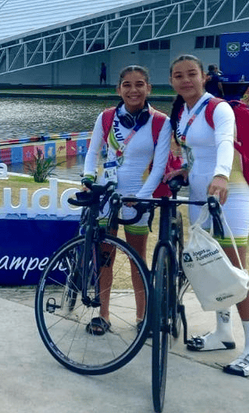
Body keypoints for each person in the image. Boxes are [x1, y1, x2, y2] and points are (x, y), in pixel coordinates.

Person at [166, 54, 249, 377]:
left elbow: (224, 143)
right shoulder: (184, 112)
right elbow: (198, 155)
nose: (185, 80)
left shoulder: (218, 108)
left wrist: (221, 175)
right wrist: (184, 170)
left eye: (191, 74)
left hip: (229, 196)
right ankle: (223, 333)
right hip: (200, 199)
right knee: (212, 268)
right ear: (172, 82)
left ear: (203, 77)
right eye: (179, 76)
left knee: (236, 273)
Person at [81, 65, 171, 335]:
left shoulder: (160, 122)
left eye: (139, 84)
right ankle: (103, 315)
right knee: (104, 257)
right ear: (118, 89)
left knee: (137, 258)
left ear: (149, 88)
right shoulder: (106, 117)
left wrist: (142, 197)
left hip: (138, 197)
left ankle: (142, 316)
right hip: (107, 195)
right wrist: (87, 180)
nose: (133, 90)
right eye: (127, 85)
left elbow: (159, 167)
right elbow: (92, 153)